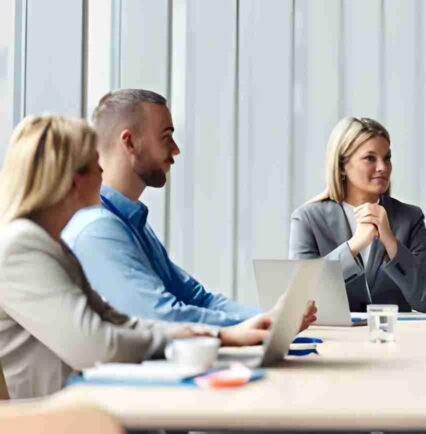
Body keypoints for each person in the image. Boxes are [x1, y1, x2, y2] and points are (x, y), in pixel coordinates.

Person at [0, 115, 271, 399]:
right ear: (73, 181)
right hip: (54, 416)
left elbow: (119, 321)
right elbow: (96, 346)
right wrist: (186, 341)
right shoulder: (22, 246)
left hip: (80, 407)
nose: (103, 170)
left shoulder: (53, 244)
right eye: (95, 163)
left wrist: (218, 335)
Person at [62, 89, 314, 327]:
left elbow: (197, 299)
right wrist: (264, 324)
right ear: (130, 142)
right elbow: (160, 317)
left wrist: (269, 318)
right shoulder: (97, 229)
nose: (176, 149)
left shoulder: (132, 223)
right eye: (166, 137)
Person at [289, 117, 426, 312]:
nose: (382, 167)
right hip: (331, 332)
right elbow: (299, 298)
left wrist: (391, 243)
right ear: (342, 166)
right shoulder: (307, 219)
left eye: (387, 158)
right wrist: (353, 246)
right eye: (370, 158)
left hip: (395, 331)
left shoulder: (410, 217)